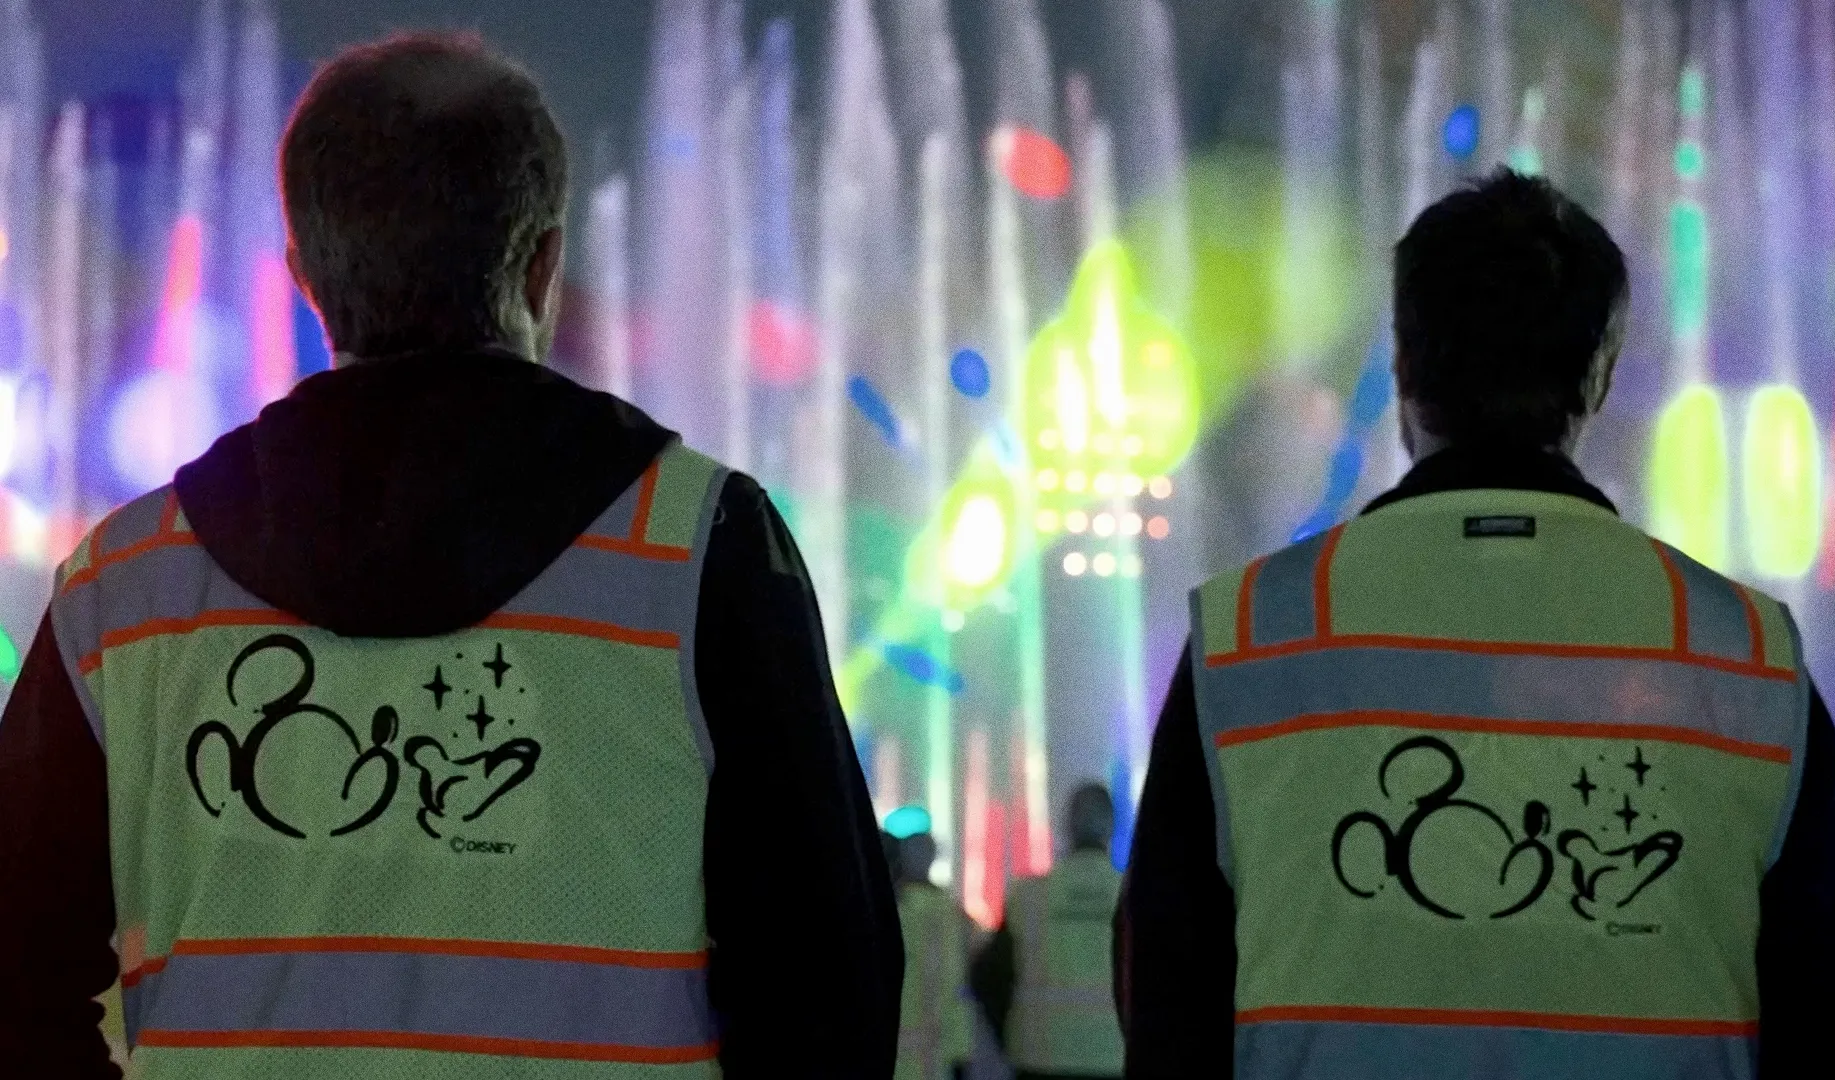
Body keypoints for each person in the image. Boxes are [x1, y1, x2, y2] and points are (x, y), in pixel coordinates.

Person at [0, 34, 902, 1078]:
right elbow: (830, 988)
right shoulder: (699, 552)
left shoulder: (127, 587)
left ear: (303, 277)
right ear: (544, 261)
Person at [1115, 169, 1835, 1079]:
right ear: (1595, 378)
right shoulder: (1750, 660)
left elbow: (1168, 1009)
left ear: (1404, 368)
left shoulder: (1249, 640)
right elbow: (1824, 1024)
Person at [974, 783, 1125, 1079]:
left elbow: (987, 977)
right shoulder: (1133, 896)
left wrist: (1012, 1031)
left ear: (1067, 825)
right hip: (1114, 1056)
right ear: (1111, 827)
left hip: (1038, 1057)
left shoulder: (1028, 897)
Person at [890, 824, 975, 1080]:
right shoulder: (951, 914)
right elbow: (956, 984)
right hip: (940, 1054)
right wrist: (961, 1049)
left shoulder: (889, 910)